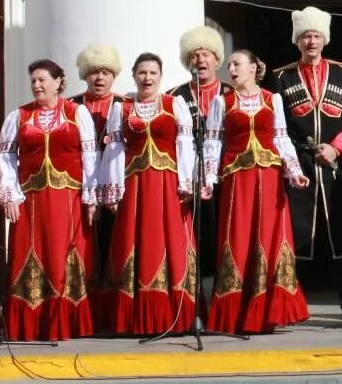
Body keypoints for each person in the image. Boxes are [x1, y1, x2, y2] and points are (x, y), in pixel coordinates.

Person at [270, 7, 342, 327]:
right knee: (293, 240)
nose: (311, 41)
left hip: (333, 168)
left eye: (315, 35)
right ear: (296, 41)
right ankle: (286, 309)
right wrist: (289, 161)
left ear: (324, 39)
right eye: (305, 36)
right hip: (297, 167)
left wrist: (336, 148)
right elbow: (276, 126)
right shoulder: (281, 77)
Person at [202, 49, 311, 334]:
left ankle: (269, 310)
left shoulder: (271, 99)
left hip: (271, 176)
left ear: (253, 68)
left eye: (237, 64)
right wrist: (208, 179)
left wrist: (295, 171)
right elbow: (213, 143)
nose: (232, 69)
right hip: (238, 179)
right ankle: (237, 311)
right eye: (229, 66)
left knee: (270, 236)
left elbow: (281, 137)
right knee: (238, 236)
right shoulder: (220, 102)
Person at [0, 59, 99, 341]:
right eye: (33, 81)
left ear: (58, 82)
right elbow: (5, 157)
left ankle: (66, 322)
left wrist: (91, 198)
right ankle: (31, 323)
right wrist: (9, 194)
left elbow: (90, 156)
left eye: (42, 80)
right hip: (31, 200)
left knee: (62, 257)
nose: (37, 86)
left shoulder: (76, 113)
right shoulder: (19, 116)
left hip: (68, 200)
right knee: (30, 254)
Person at [97, 52, 199, 336]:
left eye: (153, 73)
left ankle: (173, 311)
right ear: (133, 75)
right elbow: (115, 149)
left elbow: (185, 144)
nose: (147, 78)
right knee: (134, 238)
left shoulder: (173, 104)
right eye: (142, 72)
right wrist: (113, 189)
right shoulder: (123, 108)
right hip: (136, 185)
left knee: (168, 239)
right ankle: (133, 315)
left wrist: (187, 182)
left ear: (161, 76)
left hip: (167, 184)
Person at [172, 25, 228, 291]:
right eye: (195, 55)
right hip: (189, 184)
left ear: (217, 59)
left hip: (225, 179)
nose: (201, 60)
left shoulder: (231, 93)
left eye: (206, 54)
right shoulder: (174, 97)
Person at [70, 44, 125, 292]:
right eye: (94, 72)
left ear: (114, 75)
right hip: (80, 184)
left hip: (116, 184)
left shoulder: (126, 105)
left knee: (115, 241)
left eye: (105, 72)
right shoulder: (70, 105)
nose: (100, 77)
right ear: (85, 74)